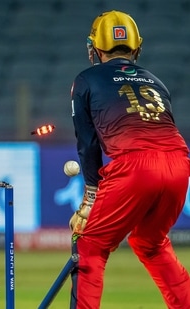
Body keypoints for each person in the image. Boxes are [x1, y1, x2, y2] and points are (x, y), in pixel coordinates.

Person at [68, 10, 190, 308]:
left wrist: (90, 197)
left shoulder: (85, 80)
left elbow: (88, 143)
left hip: (135, 165)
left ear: (94, 47)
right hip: (179, 163)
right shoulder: (155, 81)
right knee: (150, 243)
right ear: (137, 46)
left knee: (92, 246)